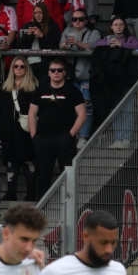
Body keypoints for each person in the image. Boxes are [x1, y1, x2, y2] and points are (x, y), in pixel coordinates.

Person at [28, 58, 86, 197]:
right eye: (53, 70)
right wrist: (34, 135)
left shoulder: (73, 91)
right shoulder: (41, 89)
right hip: (43, 138)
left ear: (65, 73)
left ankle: (68, 206)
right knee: (42, 175)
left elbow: (82, 114)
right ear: (48, 73)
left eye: (59, 70)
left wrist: (71, 134)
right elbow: (32, 113)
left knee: (67, 174)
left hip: (64, 138)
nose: (56, 73)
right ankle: (42, 208)